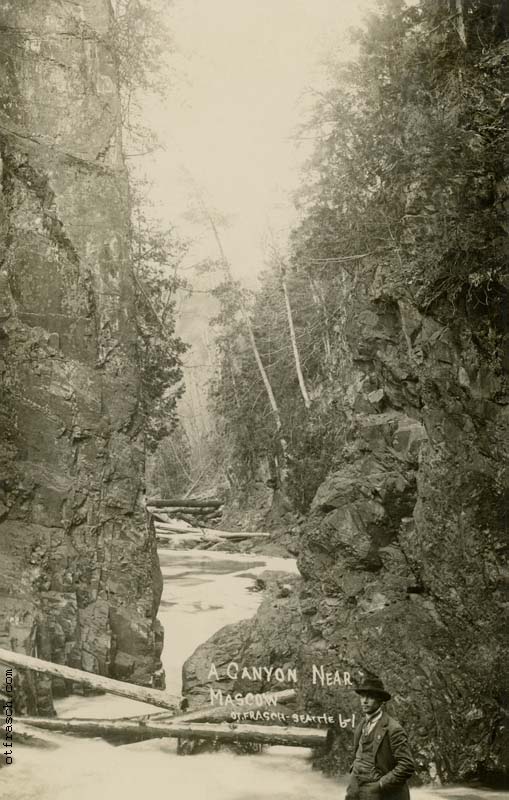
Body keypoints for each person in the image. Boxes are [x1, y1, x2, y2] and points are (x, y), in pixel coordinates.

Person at [345, 676, 415, 800]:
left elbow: (407, 765)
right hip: (355, 788)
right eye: (362, 696)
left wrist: (382, 784)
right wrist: (354, 774)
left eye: (370, 697)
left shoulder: (393, 729)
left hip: (377, 791)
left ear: (380, 700)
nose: (364, 701)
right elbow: (358, 753)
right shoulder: (361, 725)